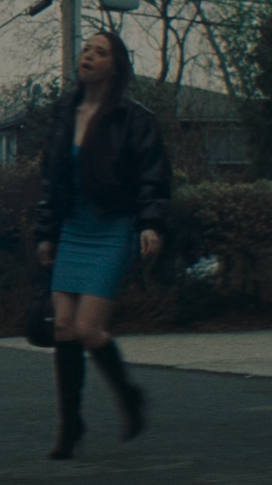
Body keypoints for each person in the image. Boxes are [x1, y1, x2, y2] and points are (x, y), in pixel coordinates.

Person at [33, 30, 169, 460]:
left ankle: (130, 397)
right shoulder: (63, 113)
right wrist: (47, 232)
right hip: (73, 228)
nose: (88, 56)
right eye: (86, 50)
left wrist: (150, 225)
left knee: (88, 330)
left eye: (100, 52)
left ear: (115, 66)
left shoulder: (134, 118)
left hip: (113, 228)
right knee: (62, 328)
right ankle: (70, 425)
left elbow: (152, 177)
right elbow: (51, 179)